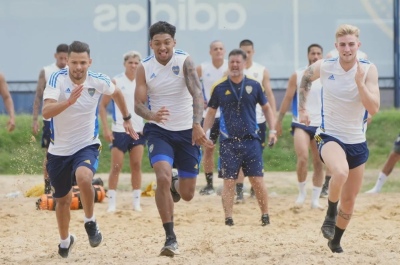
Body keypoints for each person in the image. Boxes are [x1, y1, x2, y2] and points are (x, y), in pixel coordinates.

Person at [42, 41, 138, 258]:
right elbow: (46, 112)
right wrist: (67, 102)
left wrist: (126, 118)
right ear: (67, 61)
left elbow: (117, 94)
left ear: (89, 62)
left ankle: (90, 221)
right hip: (59, 150)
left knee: (84, 177)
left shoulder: (99, 80)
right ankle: (66, 240)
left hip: (87, 144)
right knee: (63, 200)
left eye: (82, 62)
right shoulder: (57, 79)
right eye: (74, 62)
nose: (78, 67)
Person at [299, 24, 380, 253]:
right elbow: (305, 78)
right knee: (340, 172)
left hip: (357, 140)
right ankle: (330, 213)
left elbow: (373, 108)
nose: (347, 49)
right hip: (329, 135)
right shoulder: (326, 66)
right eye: (342, 45)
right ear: (336, 46)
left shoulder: (368, 69)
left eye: (351, 44)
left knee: (350, 200)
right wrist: (303, 108)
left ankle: (335, 240)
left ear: (358, 46)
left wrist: (360, 84)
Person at [134, 21, 211, 257]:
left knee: (187, 194)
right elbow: (137, 105)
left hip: (187, 130)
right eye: (157, 43)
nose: (162, 47)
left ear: (174, 43)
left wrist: (197, 124)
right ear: (151, 44)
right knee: (162, 176)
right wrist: (151, 115)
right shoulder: (144, 67)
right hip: (159, 131)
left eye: (167, 42)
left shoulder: (184, 60)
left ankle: (177, 183)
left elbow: (197, 93)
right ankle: (170, 237)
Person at [203, 48, 277, 226]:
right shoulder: (220, 87)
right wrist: (204, 133)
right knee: (228, 181)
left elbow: (266, 108)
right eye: (232, 62)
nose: (235, 65)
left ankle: (265, 215)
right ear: (228, 64)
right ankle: (228, 218)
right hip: (228, 142)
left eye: (238, 62)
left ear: (244, 64)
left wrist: (273, 130)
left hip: (251, 140)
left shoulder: (254, 85)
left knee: (257, 180)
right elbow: (211, 112)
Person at [276, 44, 324, 209]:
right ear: (308, 55)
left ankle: (315, 199)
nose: (316, 56)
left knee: (318, 161)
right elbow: (287, 99)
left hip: (319, 128)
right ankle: (302, 194)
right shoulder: (298, 75)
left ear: (322, 56)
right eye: (313, 53)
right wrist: (278, 121)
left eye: (318, 53)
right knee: (303, 157)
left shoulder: (327, 75)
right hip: (301, 124)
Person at [99, 51, 145, 212]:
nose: (133, 65)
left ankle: (136, 202)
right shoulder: (116, 81)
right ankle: (112, 202)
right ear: (125, 64)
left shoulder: (143, 82)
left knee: (136, 165)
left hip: (138, 129)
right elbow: (102, 106)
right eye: (130, 62)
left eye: (136, 63)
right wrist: (105, 128)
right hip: (119, 130)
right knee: (116, 166)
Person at [320, 49, 370, 198]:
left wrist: (367, 116)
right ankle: (323, 186)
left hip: (352, 132)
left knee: (341, 168)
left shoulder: (361, 68)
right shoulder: (326, 71)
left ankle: (328, 183)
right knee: (319, 157)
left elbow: (370, 103)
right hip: (320, 130)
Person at [235, 39, 277, 202]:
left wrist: (273, 118)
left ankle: (254, 187)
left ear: (253, 52)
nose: (246, 54)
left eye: (249, 52)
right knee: (239, 155)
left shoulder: (261, 70)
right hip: (239, 121)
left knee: (256, 154)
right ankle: (239, 192)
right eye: (243, 52)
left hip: (258, 120)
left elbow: (270, 95)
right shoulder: (233, 70)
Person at [32, 43, 68, 194]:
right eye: (61, 58)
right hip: (50, 120)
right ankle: (47, 184)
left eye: (66, 58)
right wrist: (35, 119)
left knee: (69, 151)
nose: (63, 61)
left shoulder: (71, 71)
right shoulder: (46, 71)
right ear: (55, 56)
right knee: (49, 152)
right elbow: (38, 96)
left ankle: (67, 183)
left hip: (67, 119)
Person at [197, 40, 228, 195]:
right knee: (208, 148)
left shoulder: (230, 67)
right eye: (215, 48)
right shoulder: (202, 68)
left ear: (225, 51)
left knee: (227, 149)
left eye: (221, 48)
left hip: (226, 115)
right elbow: (190, 84)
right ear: (210, 52)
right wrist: (198, 98)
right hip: (208, 114)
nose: (218, 51)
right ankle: (209, 184)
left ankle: (228, 184)